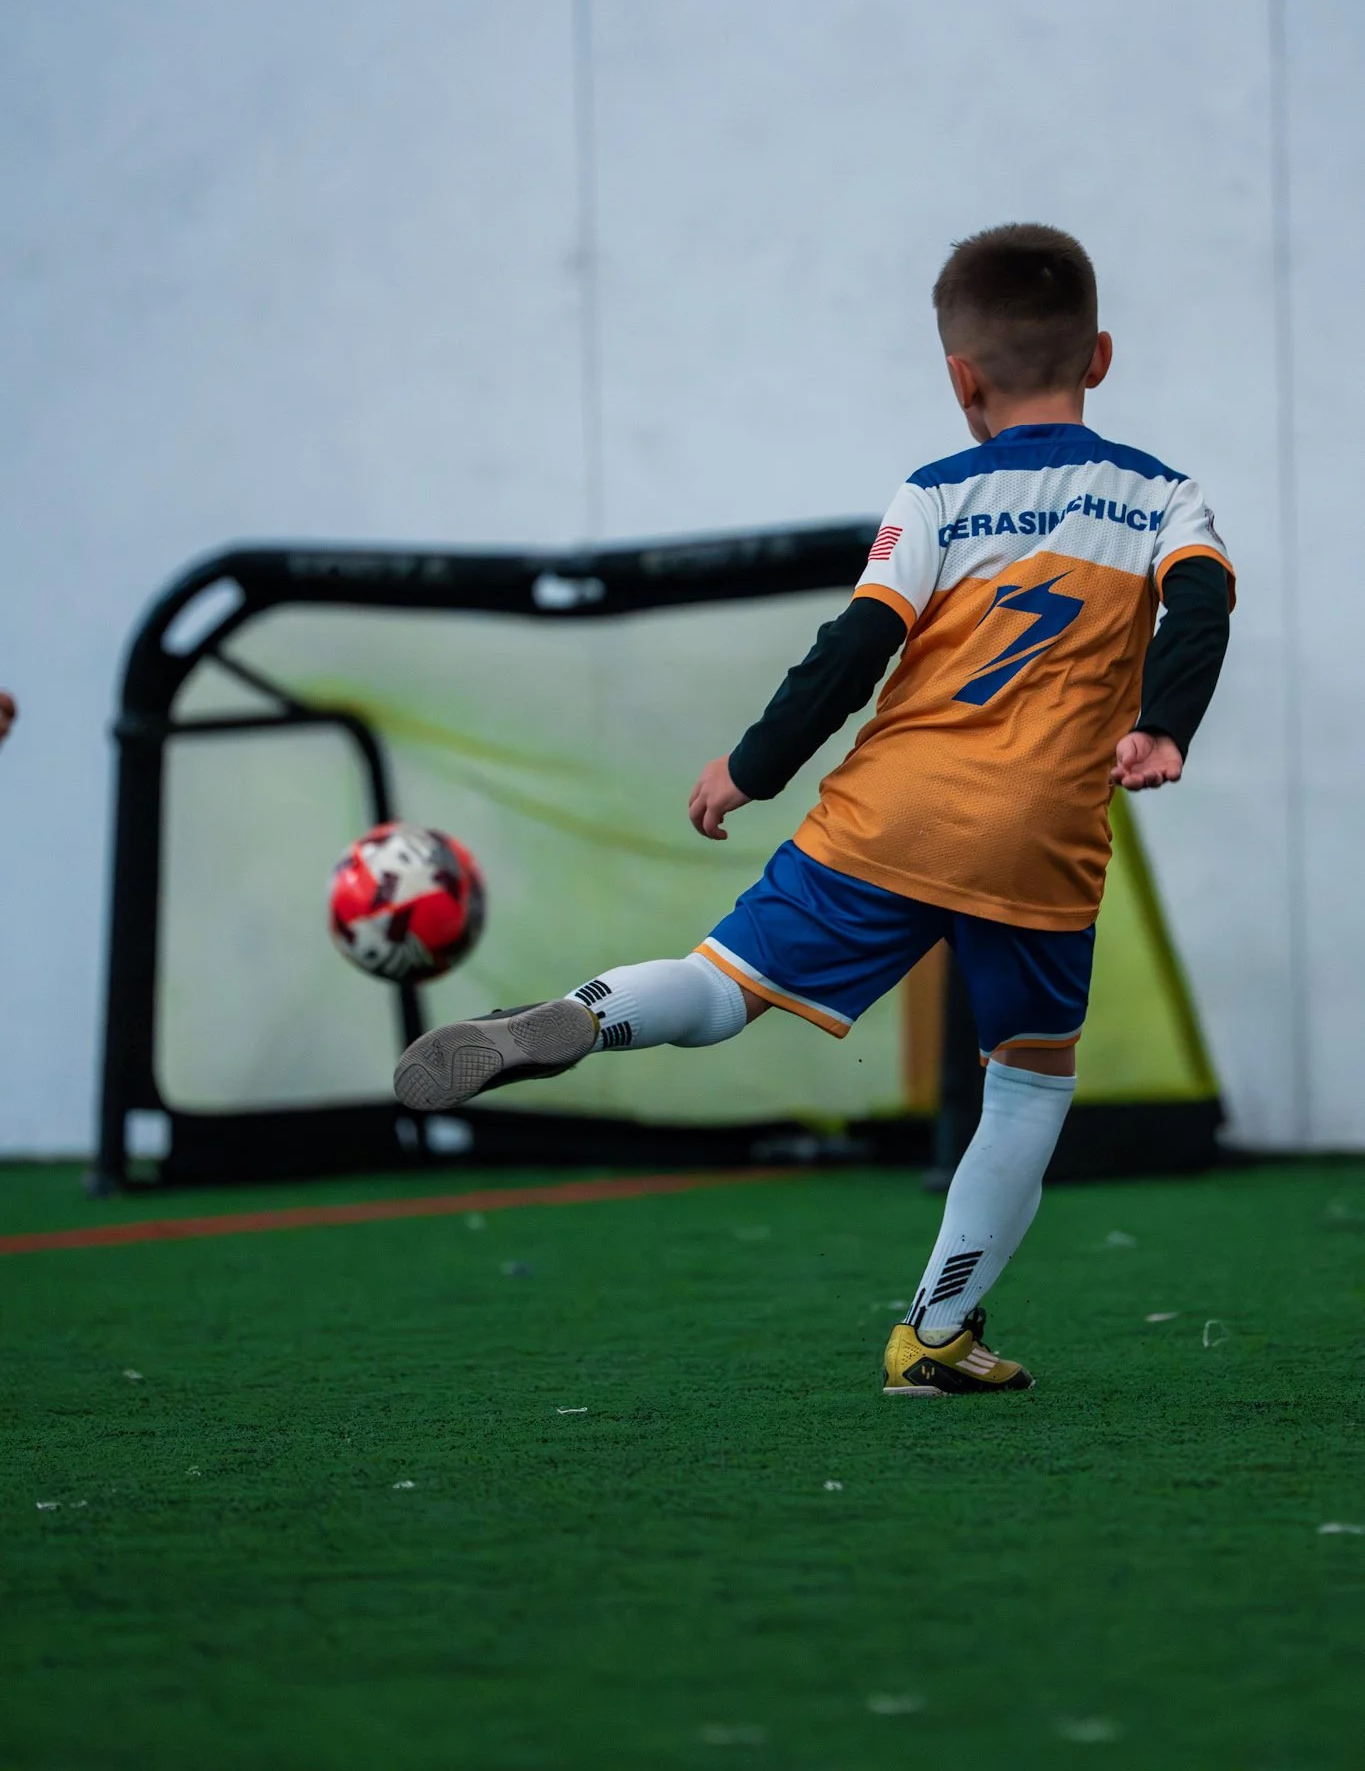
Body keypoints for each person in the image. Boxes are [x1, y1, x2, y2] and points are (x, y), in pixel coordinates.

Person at [396, 224, 1233, 1395]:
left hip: (886, 813)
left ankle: (587, 1013)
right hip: (1037, 836)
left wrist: (754, 762)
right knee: (1031, 1082)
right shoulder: (1162, 493)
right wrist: (1164, 723)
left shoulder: (936, 494)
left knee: (723, 986)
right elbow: (1199, 609)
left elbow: (856, 645)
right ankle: (936, 1335)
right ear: (1100, 354)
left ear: (961, 379)